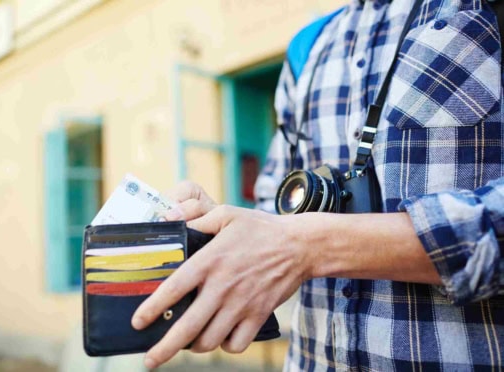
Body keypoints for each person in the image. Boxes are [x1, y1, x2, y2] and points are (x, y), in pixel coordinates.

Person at [132, 0, 504, 370]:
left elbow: (292, 239)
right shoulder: (307, 47)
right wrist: (221, 235)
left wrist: (311, 246)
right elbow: (276, 207)